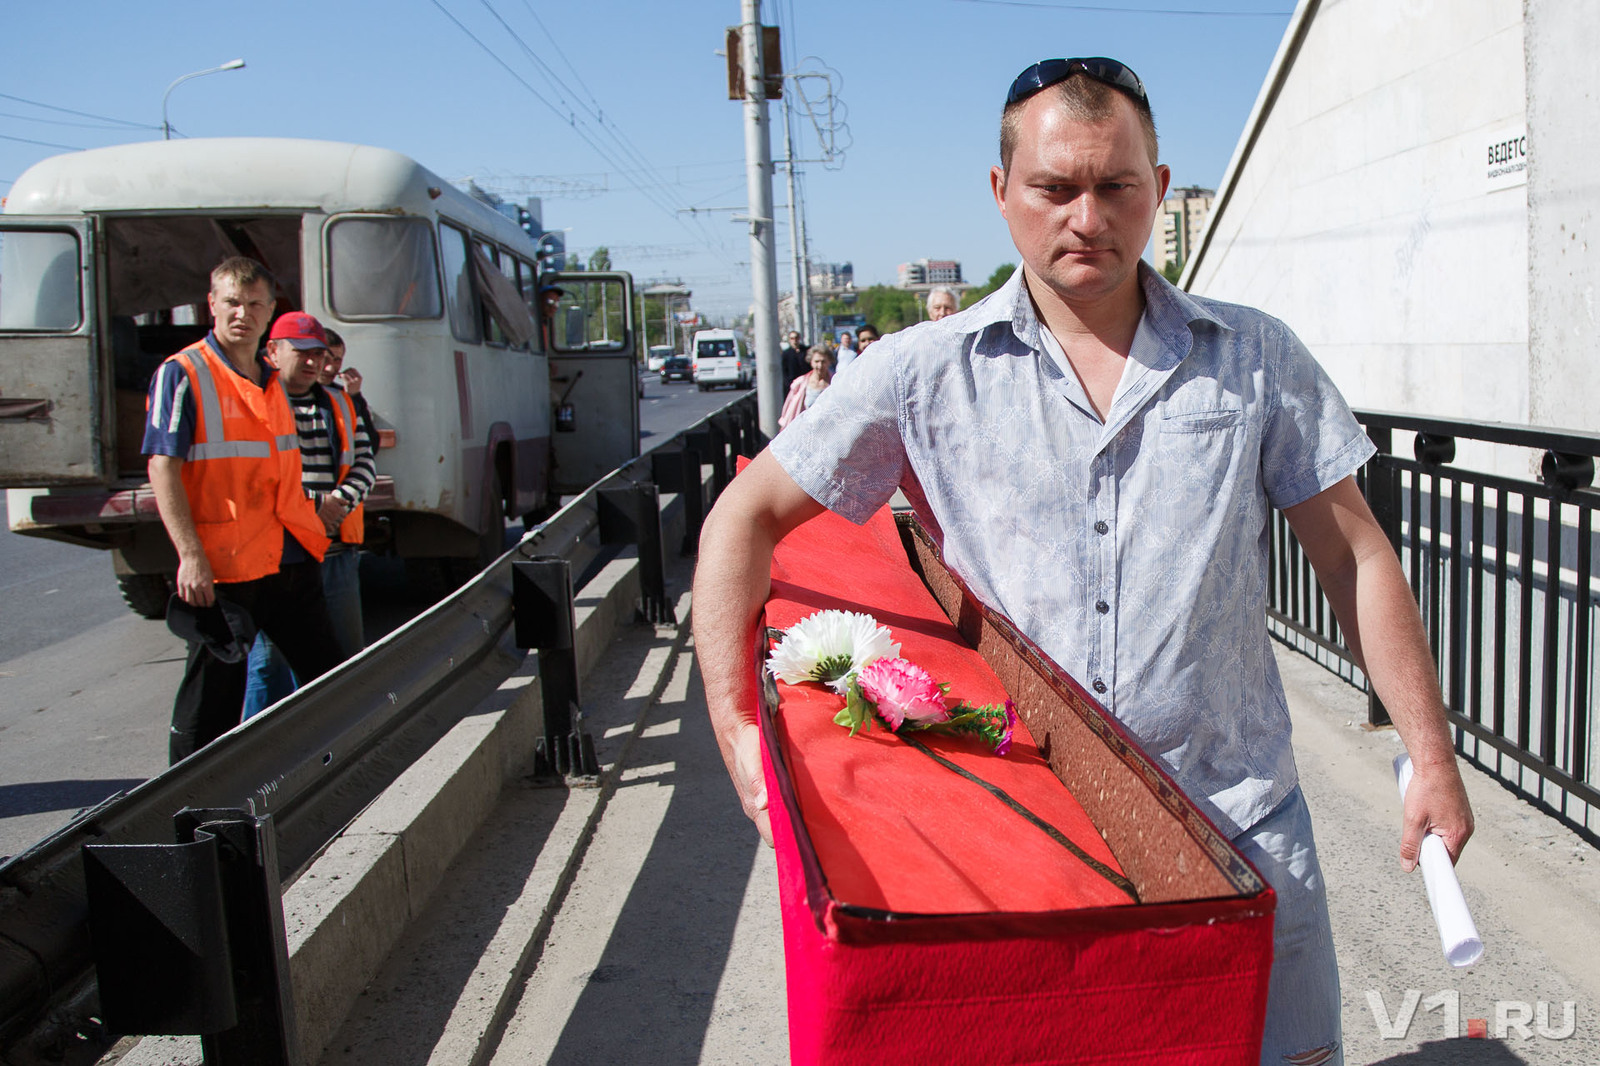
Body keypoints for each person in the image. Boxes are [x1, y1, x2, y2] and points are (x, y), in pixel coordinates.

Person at [692, 57, 1473, 1066]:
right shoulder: (921, 373)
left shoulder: (1252, 356)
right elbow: (745, 515)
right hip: (1030, 851)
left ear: (1156, 184)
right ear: (1000, 191)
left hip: (1239, 828)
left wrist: (1433, 757)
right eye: (1055, 188)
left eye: (1116, 186)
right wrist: (740, 733)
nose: (1086, 217)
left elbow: (1355, 552)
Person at [142, 258, 344, 762]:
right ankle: (189, 807)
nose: (242, 314)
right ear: (211, 304)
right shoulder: (183, 373)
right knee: (210, 704)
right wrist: (189, 554)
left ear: (270, 311)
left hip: (289, 554)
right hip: (226, 565)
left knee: (336, 683)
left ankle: (343, 783)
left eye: (255, 305)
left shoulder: (274, 379)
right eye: (232, 302)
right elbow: (162, 468)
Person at [240, 320, 377, 719]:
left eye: (319, 353)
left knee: (343, 660)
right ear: (273, 352)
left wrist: (337, 501)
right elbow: (256, 473)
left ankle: (337, 744)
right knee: (270, 665)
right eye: (302, 352)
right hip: (279, 556)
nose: (314, 361)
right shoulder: (256, 403)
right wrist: (315, 503)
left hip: (334, 553)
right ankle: (253, 754)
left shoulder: (340, 402)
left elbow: (364, 463)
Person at [778, 346, 834, 430]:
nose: (820, 365)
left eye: (823, 361)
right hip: (807, 430)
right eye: (816, 361)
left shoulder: (836, 381)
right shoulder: (800, 383)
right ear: (811, 362)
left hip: (829, 429)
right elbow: (790, 408)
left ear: (829, 362)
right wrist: (784, 426)